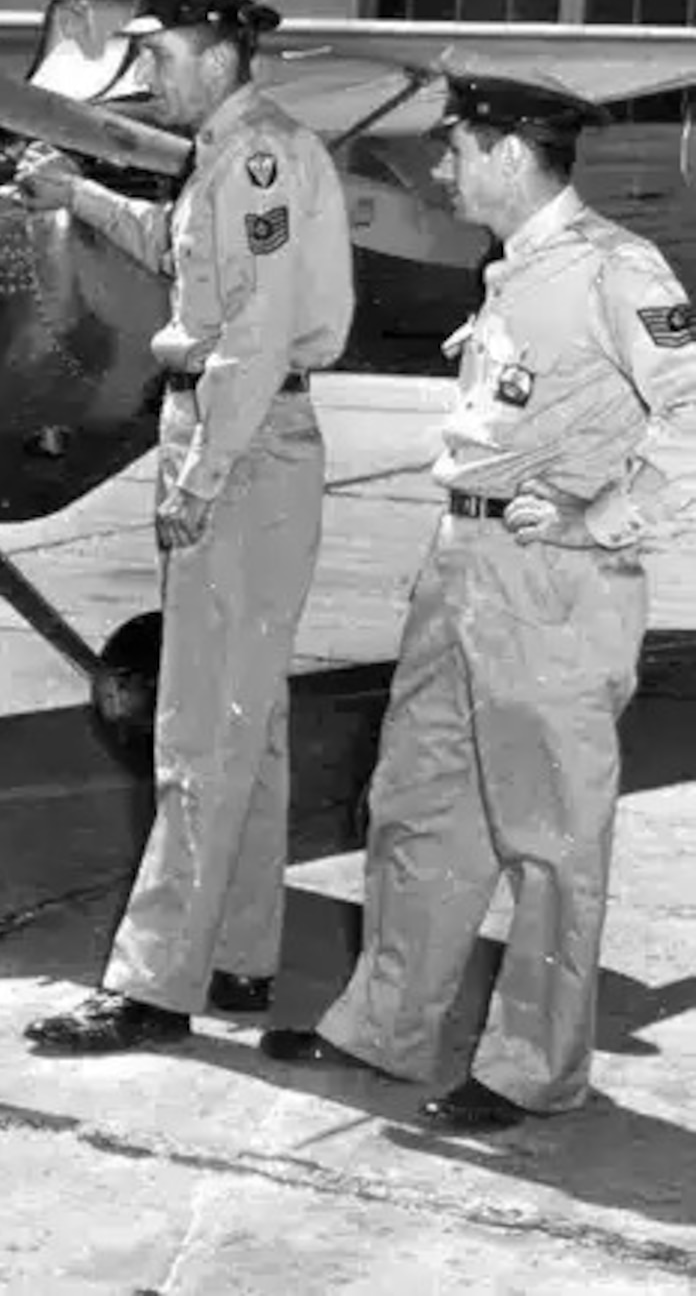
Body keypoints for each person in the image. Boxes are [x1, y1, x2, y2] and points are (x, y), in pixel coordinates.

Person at [260, 63, 696, 1131]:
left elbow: (689, 419)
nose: (440, 170)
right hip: (458, 566)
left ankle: (527, 1068)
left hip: (552, 584)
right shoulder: (511, 270)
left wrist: (603, 517)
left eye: (452, 150)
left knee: (547, 836)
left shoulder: (615, 268)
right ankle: (385, 1025)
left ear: (509, 154)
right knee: (414, 803)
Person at [18, 0, 355, 1052]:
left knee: (195, 728)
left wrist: (198, 476)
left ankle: (153, 987)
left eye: (158, 54)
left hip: (239, 448)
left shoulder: (254, 157)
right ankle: (236, 958)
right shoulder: (232, 156)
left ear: (215, 54)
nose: (146, 74)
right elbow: (180, 256)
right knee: (244, 728)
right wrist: (73, 197)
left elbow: (250, 334)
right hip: (254, 442)